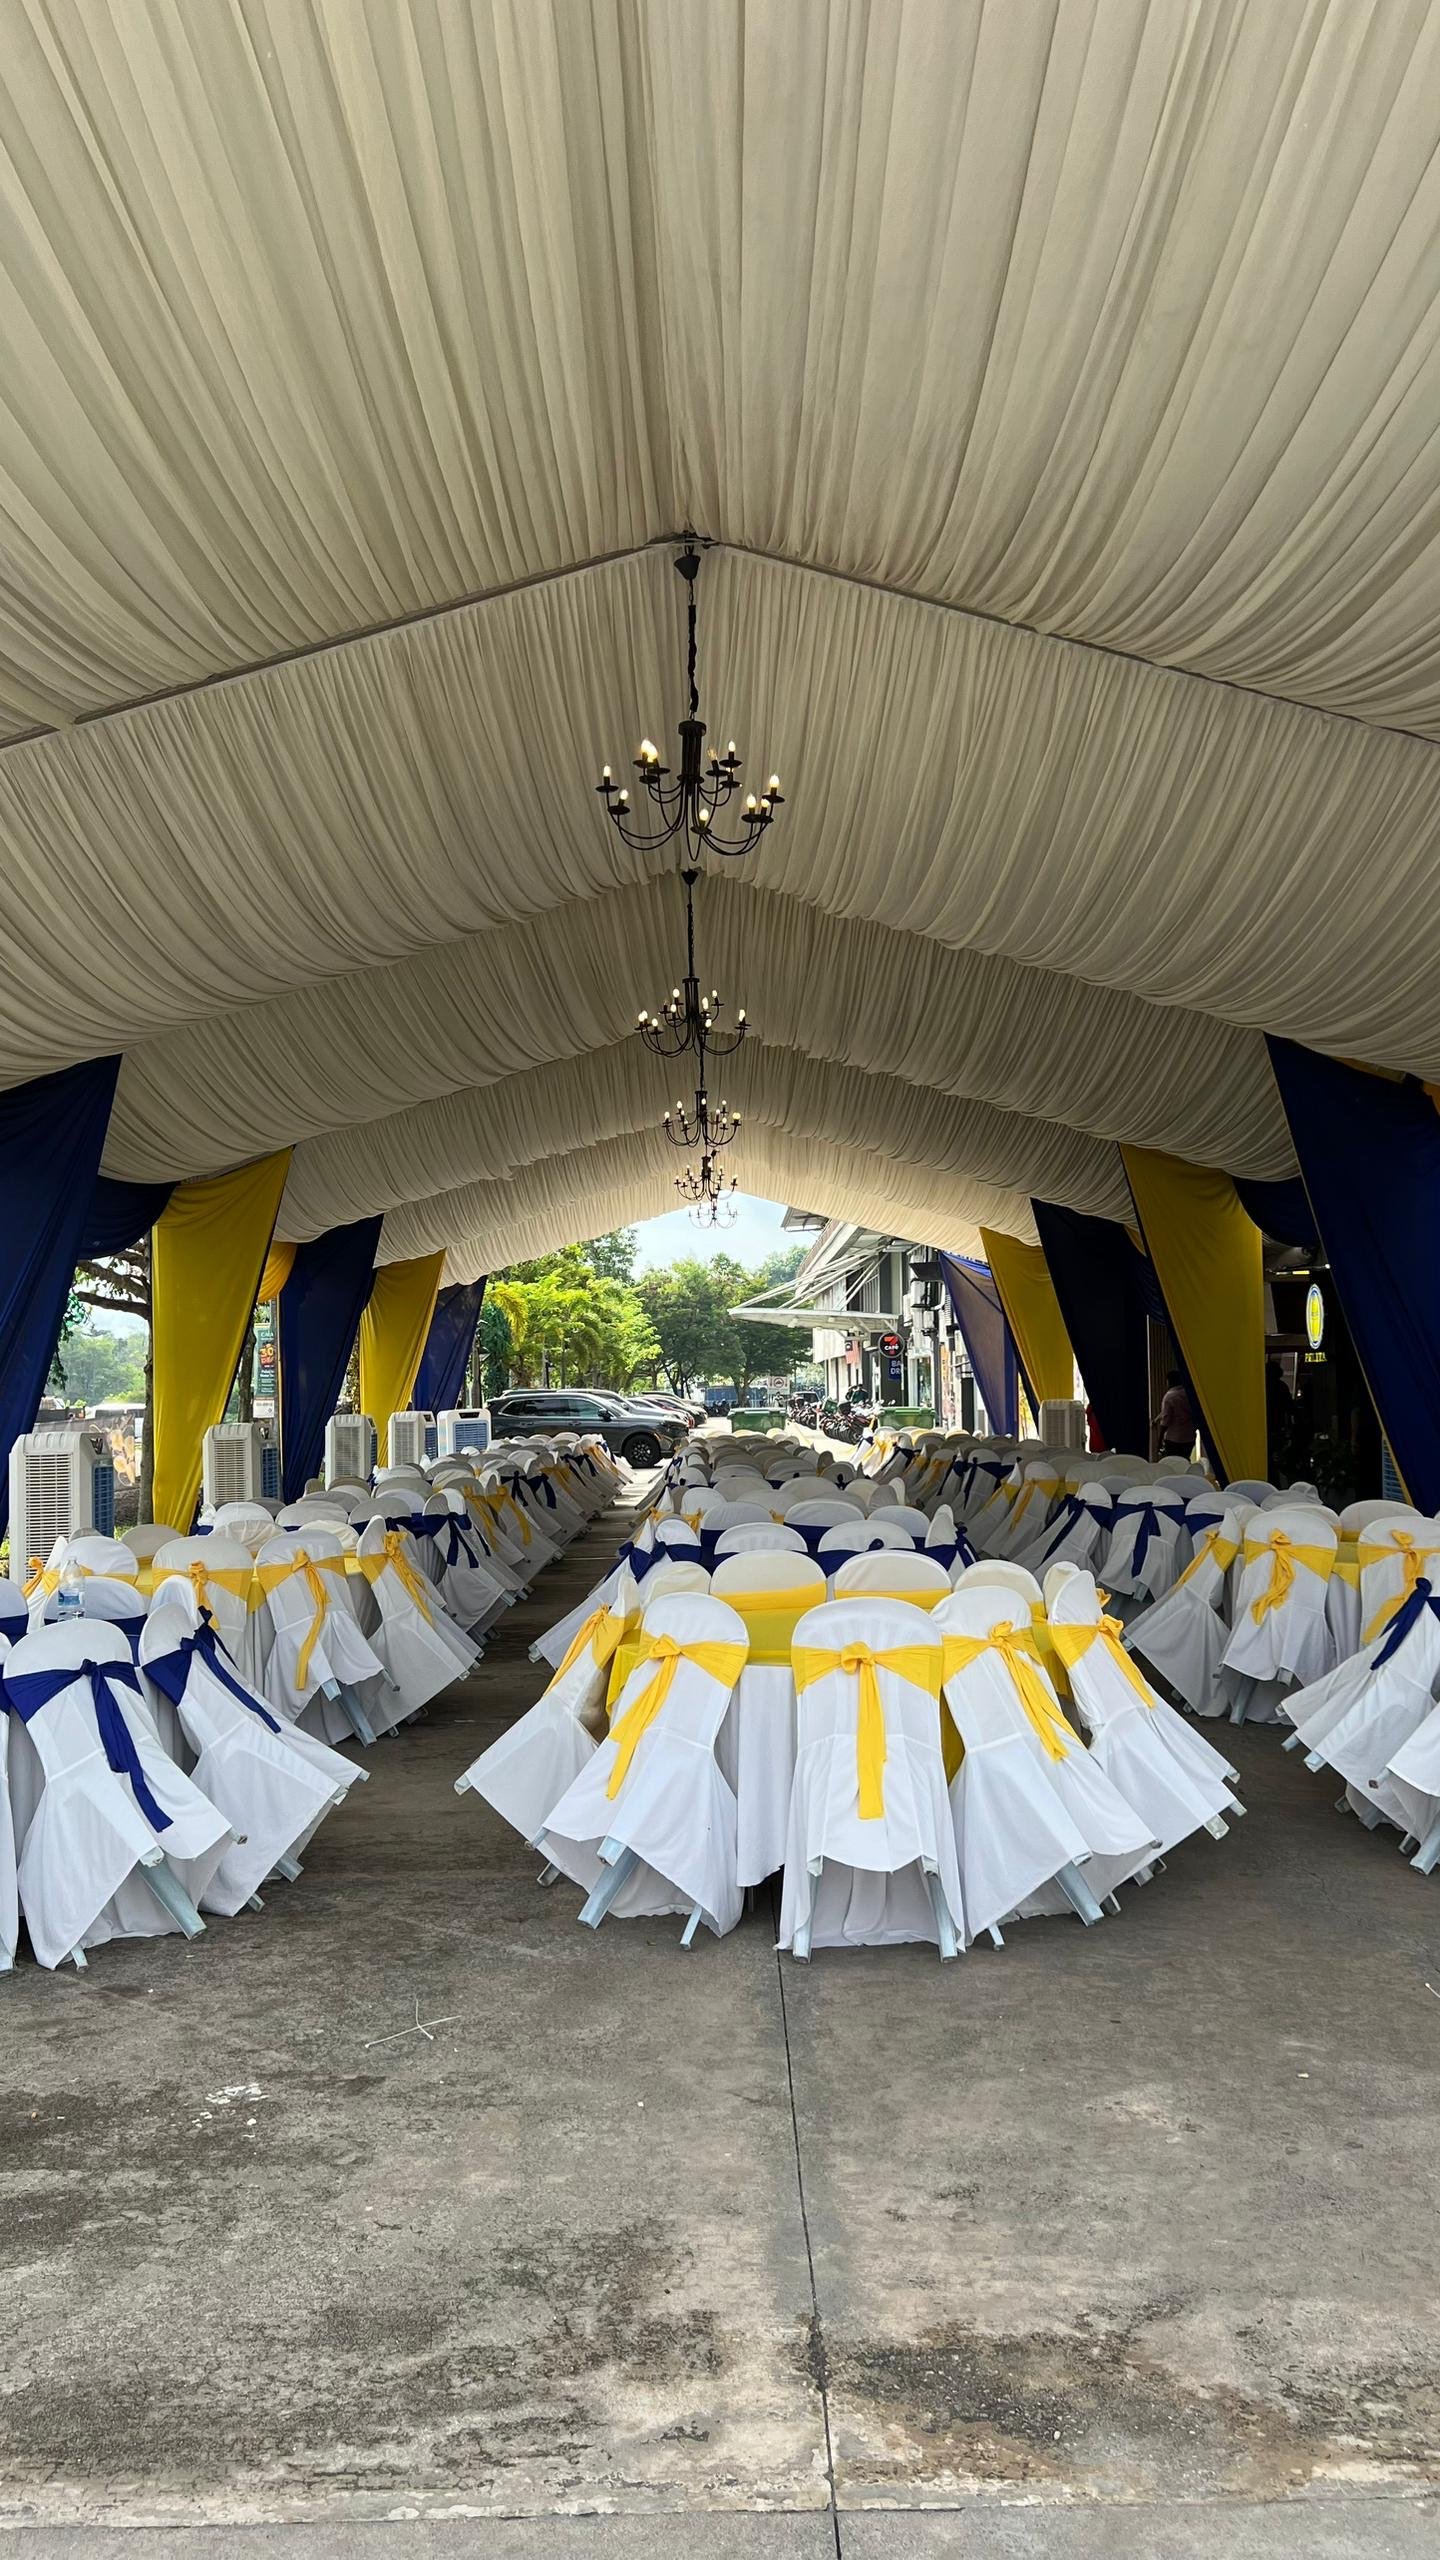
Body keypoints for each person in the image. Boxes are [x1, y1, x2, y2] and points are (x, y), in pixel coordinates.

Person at [1154, 1370, 1195, 1458]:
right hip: (1189, 1437)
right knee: (1185, 1461)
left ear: (1169, 1381)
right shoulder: (1189, 1394)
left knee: (1173, 1464)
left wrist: (1159, 1441)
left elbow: (1166, 1420)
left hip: (1174, 1439)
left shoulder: (1169, 1397)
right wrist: (1157, 1418)